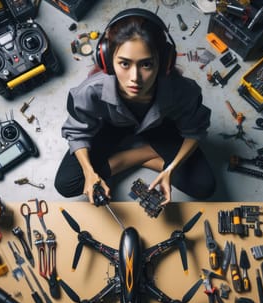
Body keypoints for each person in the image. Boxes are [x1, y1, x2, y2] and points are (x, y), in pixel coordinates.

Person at [54, 8, 215, 205]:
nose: (135, 78)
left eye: (146, 65)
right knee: (67, 184)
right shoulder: (89, 91)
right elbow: (77, 134)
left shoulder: (183, 90)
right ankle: (141, 155)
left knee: (204, 186)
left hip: (160, 126)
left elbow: (194, 130)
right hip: (110, 127)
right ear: (108, 60)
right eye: (124, 64)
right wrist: (89, 173)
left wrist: (170, 170)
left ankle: (139, 156)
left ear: (164, 62)